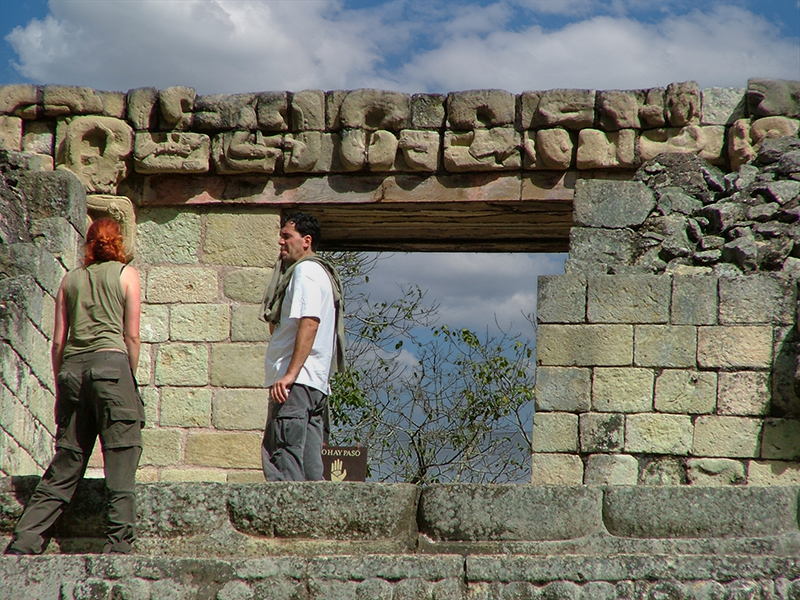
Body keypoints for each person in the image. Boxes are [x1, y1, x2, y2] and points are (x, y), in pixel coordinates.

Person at [4, 217, 144, 555]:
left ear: (89, 244)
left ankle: (25, 540)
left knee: (68, 460)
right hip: (113, 366)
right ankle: (119, 544)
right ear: (119, 242)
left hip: (72, 371)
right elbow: (132, 336)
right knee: (121, 457)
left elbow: (58, 342)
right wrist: (129, 376)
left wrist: (61, 380)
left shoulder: (69, 280)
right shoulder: (127, 275)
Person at [259, 212, 344, 481]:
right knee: (310, 472)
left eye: (287, 236)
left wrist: (290, 375)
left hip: (295, 386)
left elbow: (310, 323)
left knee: (284, 461)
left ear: (306, 241)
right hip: (314, 385)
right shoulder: (320, 272)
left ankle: (285, 523)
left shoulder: (305, 272)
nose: (280, 242)